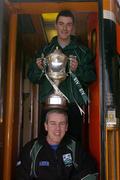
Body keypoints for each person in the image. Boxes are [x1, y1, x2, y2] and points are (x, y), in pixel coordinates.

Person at [27, 10, 96, 141]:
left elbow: (91, 77)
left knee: (73, 145)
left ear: (73, 27)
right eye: (61, 24)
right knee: (48, 145)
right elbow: (32, 77)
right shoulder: (44, 51)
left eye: (69, 24)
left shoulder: (83, 52)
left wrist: (77, 70)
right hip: (49, 105)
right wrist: (39, 68)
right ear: (56, 25)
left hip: (73, 106)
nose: (65, 28)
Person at [15, 109, 98, 180]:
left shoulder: (74, 147)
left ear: (66, 127)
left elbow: (91, 172)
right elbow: (20, 176)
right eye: (53, 123)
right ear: (46, 126)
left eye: (61, 124)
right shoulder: (31, 149)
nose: (57, 129)